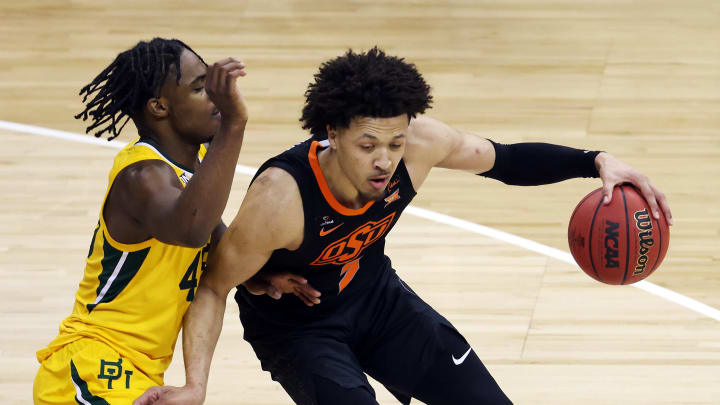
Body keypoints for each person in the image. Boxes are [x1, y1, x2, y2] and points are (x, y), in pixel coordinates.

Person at [137, 47, 672, 405]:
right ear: (332, 134)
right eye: (367, 145)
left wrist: (595, 160)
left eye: (394, 144)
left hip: (378, 302)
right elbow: (212, 285)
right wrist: (196, 385)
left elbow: (505, 160)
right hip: (298, 331)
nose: (384, 161)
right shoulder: (282, 198)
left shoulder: (419, 145)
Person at [33, 37, 249, 404]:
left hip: (139, 373)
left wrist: (261, 274)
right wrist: (234, 123)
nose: (214, 97)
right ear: (159, 107)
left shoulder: (192, 161)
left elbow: (213, 235)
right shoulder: (143, 177)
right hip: (92, 363)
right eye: (200, 88)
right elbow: (192, 229)